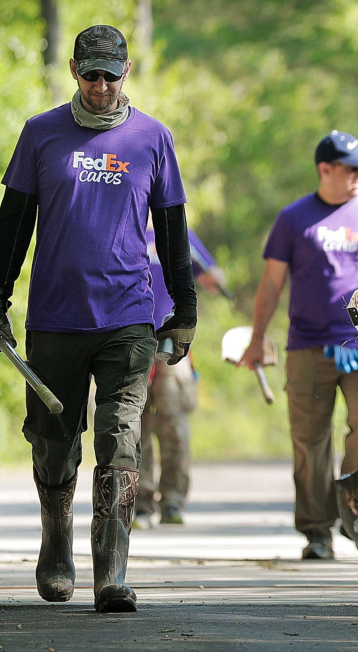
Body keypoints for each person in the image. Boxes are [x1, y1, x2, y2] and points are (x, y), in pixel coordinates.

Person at [0, 24, 195, 613]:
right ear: (74, 70)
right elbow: (14, 224)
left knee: (119, 438)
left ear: (127, 73)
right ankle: (56, 541)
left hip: (128, 316)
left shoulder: (152, 138)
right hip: (55, 317)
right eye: (90, 73)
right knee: (54, 441)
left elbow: (174, 231)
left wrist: (184, 310)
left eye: (111, 74)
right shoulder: (41, 135)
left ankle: (112, 571)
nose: (101, 86)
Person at [237, 130, 358, 561]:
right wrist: (257, 337)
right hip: (307, 347)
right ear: (325, 169)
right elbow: (271, 283)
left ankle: (354, 508)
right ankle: (317, 532)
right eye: (351, 167)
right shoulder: (293, 218)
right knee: (309, 440)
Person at [134, 226, 227, 530]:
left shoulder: (177, 230)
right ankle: (140, 503)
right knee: (136, 421)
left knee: (174, 421)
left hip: (173, 340)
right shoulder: (123, 223)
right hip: (131, 336)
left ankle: (173, 499)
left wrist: (215, 279)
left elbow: (209, 277)